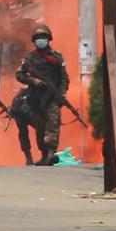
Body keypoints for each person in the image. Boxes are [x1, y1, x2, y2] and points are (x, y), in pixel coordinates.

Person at [15, 23, 69, 166]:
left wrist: (62, 94)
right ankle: (44, 155)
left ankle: (51, 152)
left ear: (48, 39)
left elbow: (64, 78)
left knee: (53, 123)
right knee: (40, 127)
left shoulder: (56, 57)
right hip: (36, 98)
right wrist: (33, 80)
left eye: (44, 38)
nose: (41, 40)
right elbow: (19, 75)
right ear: (34, 41)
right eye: (38, 38)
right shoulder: (29, 59)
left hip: (52, 97)